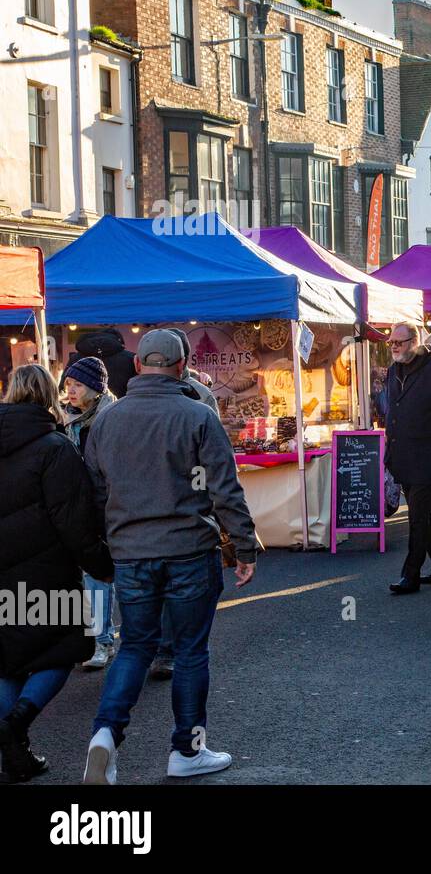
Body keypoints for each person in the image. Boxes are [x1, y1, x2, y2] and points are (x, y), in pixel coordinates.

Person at [82, 330, 258, 784]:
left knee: (134, 646)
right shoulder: (198, 415)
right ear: (181, 367)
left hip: (131, 552)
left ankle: (105, 733)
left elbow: (95, 493)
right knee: (190, 651)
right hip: (188, 549)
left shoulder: (106, 421)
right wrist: (243, 545)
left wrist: (108, 543)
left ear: (138, 366)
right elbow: (224, 489)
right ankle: (187, 749)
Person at [0, 365, 112, 783]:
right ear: (50, 394)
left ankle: (13, 743)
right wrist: (102, 565)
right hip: (47, 573)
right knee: (62, 652)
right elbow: (74, 520)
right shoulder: (55, 446)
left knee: (8, 661)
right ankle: (14, 727)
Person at [383, 322, 431, 595]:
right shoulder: (395, 369)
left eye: (399, 342)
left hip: (428, 456)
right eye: (391, 342)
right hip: (402, 455)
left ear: (414, 342)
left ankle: (410, 574)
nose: (394, 346)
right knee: (424, 515)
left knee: (417, 518)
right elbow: (393, 410)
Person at [59, 358, 120, 673]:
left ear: (96, 389)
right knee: (94, 575)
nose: (70, 390)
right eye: (68, 384)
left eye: (78, 385)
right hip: (84, 507)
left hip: (113, 505)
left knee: (125, 576)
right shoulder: (68, 418)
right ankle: (102, 641)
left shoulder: (112, 416)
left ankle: (139, 643)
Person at [74, 328, 137, 398]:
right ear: (119, 340)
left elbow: (63, 389)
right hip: (123, 406)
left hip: (83, 406)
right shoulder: (131, 358)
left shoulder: (75, 358)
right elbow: (138, 389)